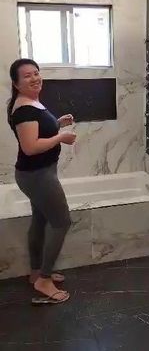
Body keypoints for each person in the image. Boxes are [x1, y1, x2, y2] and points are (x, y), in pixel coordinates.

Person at [7, 58, 76, 304]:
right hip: (37, 175)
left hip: (39, 173)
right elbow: (30, 147)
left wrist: (57, 124)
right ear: (16, 83)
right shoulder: (24, 109)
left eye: (36, 73)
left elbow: (39, 132)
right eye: (27, 76)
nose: (35, 78)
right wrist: (61, 138)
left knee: (40, 219)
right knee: (61, 222)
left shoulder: (30, 102)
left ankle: (36, 271)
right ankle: (44, 279)